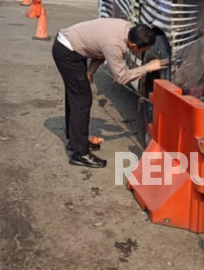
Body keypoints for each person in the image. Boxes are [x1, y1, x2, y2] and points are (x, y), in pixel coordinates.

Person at [53, 18, 169, 168]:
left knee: (77, 98)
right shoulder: (115, 45)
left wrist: (90, 71)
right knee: (81, 101)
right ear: (134, 45)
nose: (143, 53)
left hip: (72, 46)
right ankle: (80, 154)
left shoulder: (127, 28)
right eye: (143, 50)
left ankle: (75, 142)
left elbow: (99, 51)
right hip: (67, 52)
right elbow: (122, 77)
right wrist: (148, 67)